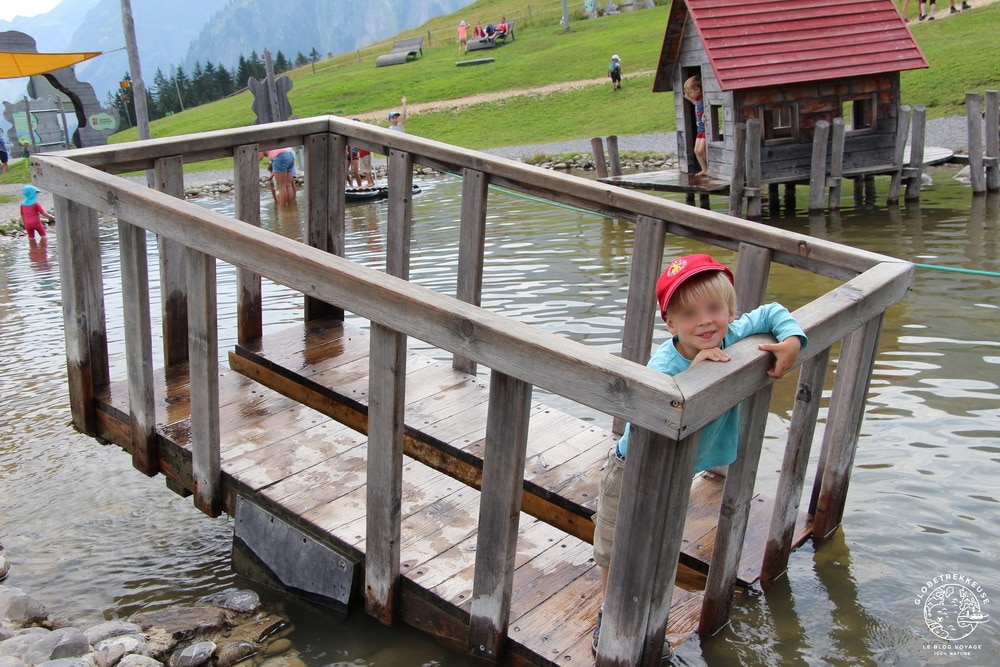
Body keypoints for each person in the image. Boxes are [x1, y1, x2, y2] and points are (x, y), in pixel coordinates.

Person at [590, 254, 806, 657]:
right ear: (671, 324)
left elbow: (774, 311)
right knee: (615, 543)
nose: (705, 321)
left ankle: (652, 617)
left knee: (657, 542)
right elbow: (655, 399)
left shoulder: (729, 333)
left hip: (677, 469)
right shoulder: (665, 362)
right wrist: (693, 375)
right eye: (689, 314)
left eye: (714, 309)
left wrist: (792, 339)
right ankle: (610, 611)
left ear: (730, 310)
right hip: (632, 467)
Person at [683, 75, 709, 177]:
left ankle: (710, 167)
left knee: (701, 150)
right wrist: (689, 98)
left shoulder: (704, 100)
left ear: (698, 89)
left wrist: (704, 114)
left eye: (690, 92)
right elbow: (696, 104)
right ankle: (704, 169)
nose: (689, 94)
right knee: (696, 150)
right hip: (700, 130)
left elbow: (707, 109)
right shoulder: (698, 101)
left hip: (704, 130)